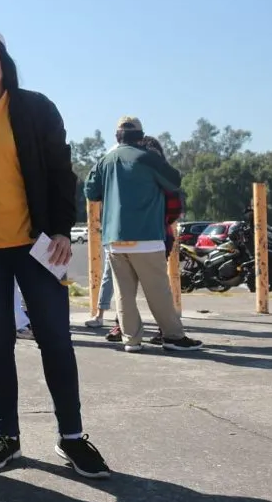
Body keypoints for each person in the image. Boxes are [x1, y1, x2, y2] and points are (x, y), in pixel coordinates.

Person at [0, 24, 110, 479]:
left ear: (4, 61)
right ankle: (6, 437)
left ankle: (72, 438)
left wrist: (58, 229)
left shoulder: (35, 108)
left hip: (38, 245)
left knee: (55, 338)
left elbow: (60, 172)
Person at [84, 117, 203, 354]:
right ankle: (173, 336)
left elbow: (90, 191)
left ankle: (131, 339)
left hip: (115, 239)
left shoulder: (105, 159)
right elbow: (174, 181)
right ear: (140, 136)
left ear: (117, 136)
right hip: (147, 236)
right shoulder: (148, 158)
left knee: (123, 293)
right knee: (157, 291)